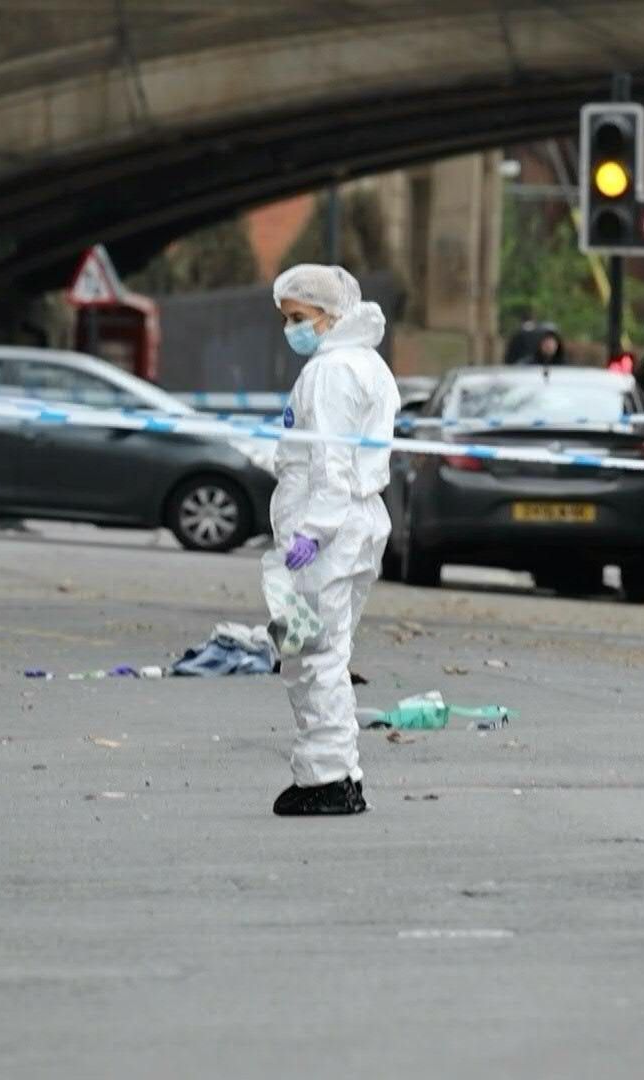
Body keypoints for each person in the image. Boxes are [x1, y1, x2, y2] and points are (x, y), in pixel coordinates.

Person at [265, 264, 401, 817]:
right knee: (319, 653)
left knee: (308, 657)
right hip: (351, 530)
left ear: (329, 315)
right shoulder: (366, 364)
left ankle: (327, 779)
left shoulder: (331, 372)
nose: (292, 329)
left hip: (323, 539)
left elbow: (330, 463)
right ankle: (336, 771)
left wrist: (311, 534)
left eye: (299, 318)